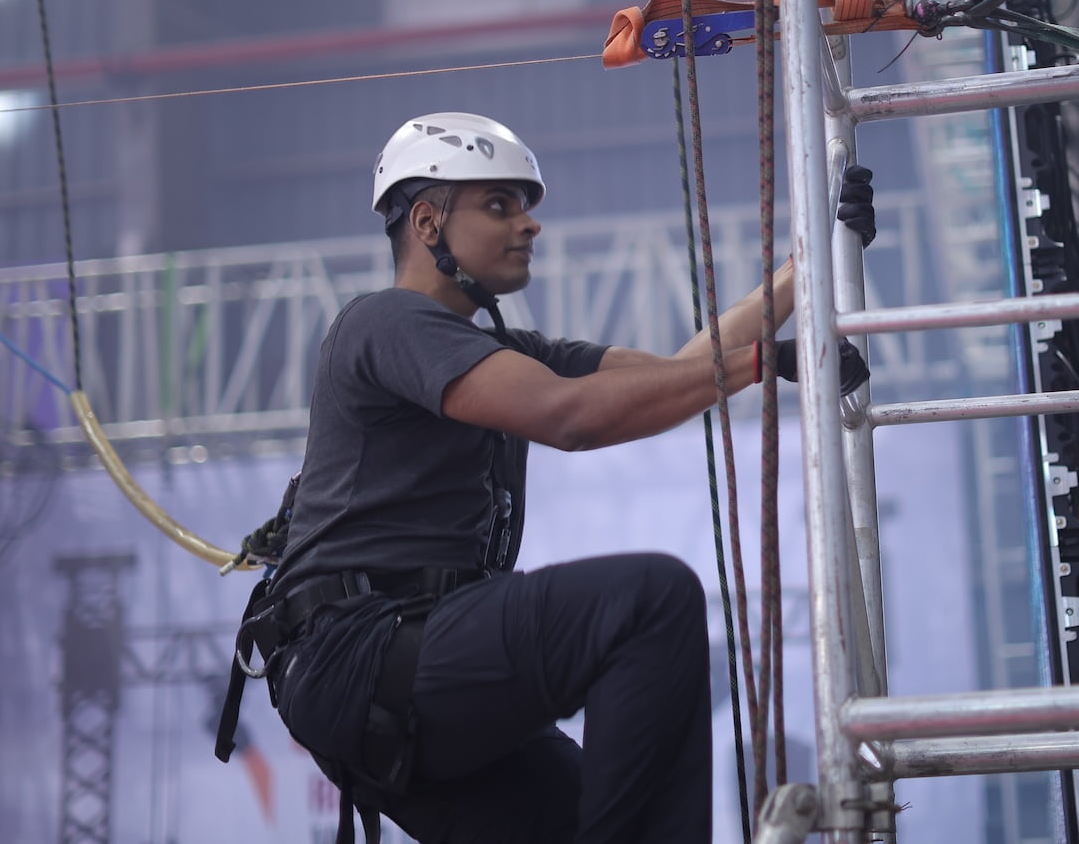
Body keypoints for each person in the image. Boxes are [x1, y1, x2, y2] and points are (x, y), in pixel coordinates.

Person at [215, 112, 874, 844]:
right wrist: (760, 365)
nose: (530, 225)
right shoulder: (385, 323)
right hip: (365, 653)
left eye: (525, 207)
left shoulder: (499, 351)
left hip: (396, 677)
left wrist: (803, 269)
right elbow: (572, 418)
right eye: (501, 205)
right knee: (648, 603)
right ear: (428, 220)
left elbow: (677, 370)